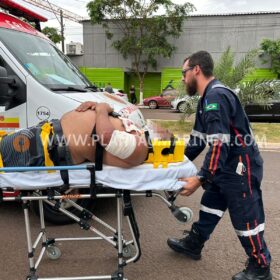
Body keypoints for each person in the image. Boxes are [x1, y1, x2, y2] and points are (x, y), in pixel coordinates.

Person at [167, 51, 272, 280]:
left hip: (240, 165)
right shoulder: (206, 99)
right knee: (211, 203)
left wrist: (201, 178)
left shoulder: (216, 96)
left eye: (184, 73)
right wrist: (173, 162)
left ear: (196, 70)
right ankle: (194, 244)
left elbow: (219, 144)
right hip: (225, 164)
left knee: (245, 216)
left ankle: (261, 267)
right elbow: (197, 140)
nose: (183, 79)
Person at [0, 102, 148, 169]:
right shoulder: (134, 134)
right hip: (47, 133)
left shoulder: (140, 149)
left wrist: (102, 109)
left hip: (47, 147)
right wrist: (96, 108)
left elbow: (106, 137)